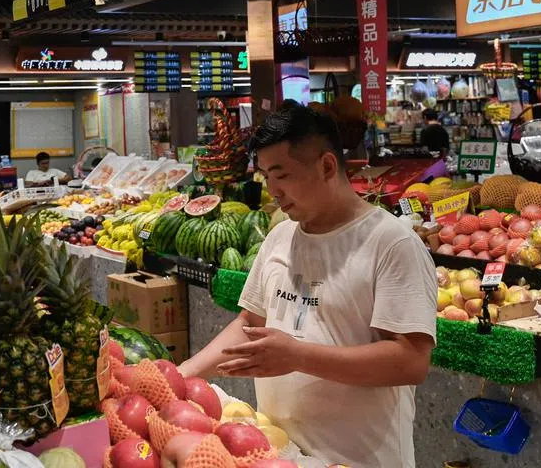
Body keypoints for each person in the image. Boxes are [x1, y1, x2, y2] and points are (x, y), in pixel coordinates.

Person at [178, 102, 437, 468]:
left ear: (327, 166)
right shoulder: (280, 237)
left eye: (281, 175)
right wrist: (181, 374)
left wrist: (298, 356)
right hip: (283, 456)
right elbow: (250, 324)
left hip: (362, 459)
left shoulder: (392, 244)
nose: (272, 191)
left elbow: (411, 361)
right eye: (266, 177)